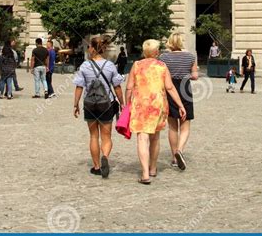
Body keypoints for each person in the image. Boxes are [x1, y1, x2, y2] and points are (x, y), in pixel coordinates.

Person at [126, 39, 186, 184]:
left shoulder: (136, 65)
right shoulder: (162, 66)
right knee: (155, 137)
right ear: (156, 52)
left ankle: (145, 173)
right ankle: (153, 169)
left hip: (140, 104)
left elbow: (129, 87)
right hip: (157, 105)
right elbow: (170, 88)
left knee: (142, 137)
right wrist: (180, 105)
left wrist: (126, 104)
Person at [73, 36, 124, 178]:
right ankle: (105, 157)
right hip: (106, 104)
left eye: (89, 47)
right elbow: (117, 87)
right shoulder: (110, 65)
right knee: (106, 136)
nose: (88, 49)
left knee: (94, 136)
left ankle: (96, 166)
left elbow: (79, 87)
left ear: (94, 49)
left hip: (90, 105)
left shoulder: (84, 66)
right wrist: (122, 103)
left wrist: (76, 104)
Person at [159, 32, 198, 170]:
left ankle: (174, 157)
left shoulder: (163, 57)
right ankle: (179, 150)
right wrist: (186, 74)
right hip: (185, 90)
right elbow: (195, 76)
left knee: (172, 126)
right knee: (185, 125)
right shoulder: (190, 57)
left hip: (169, 91)